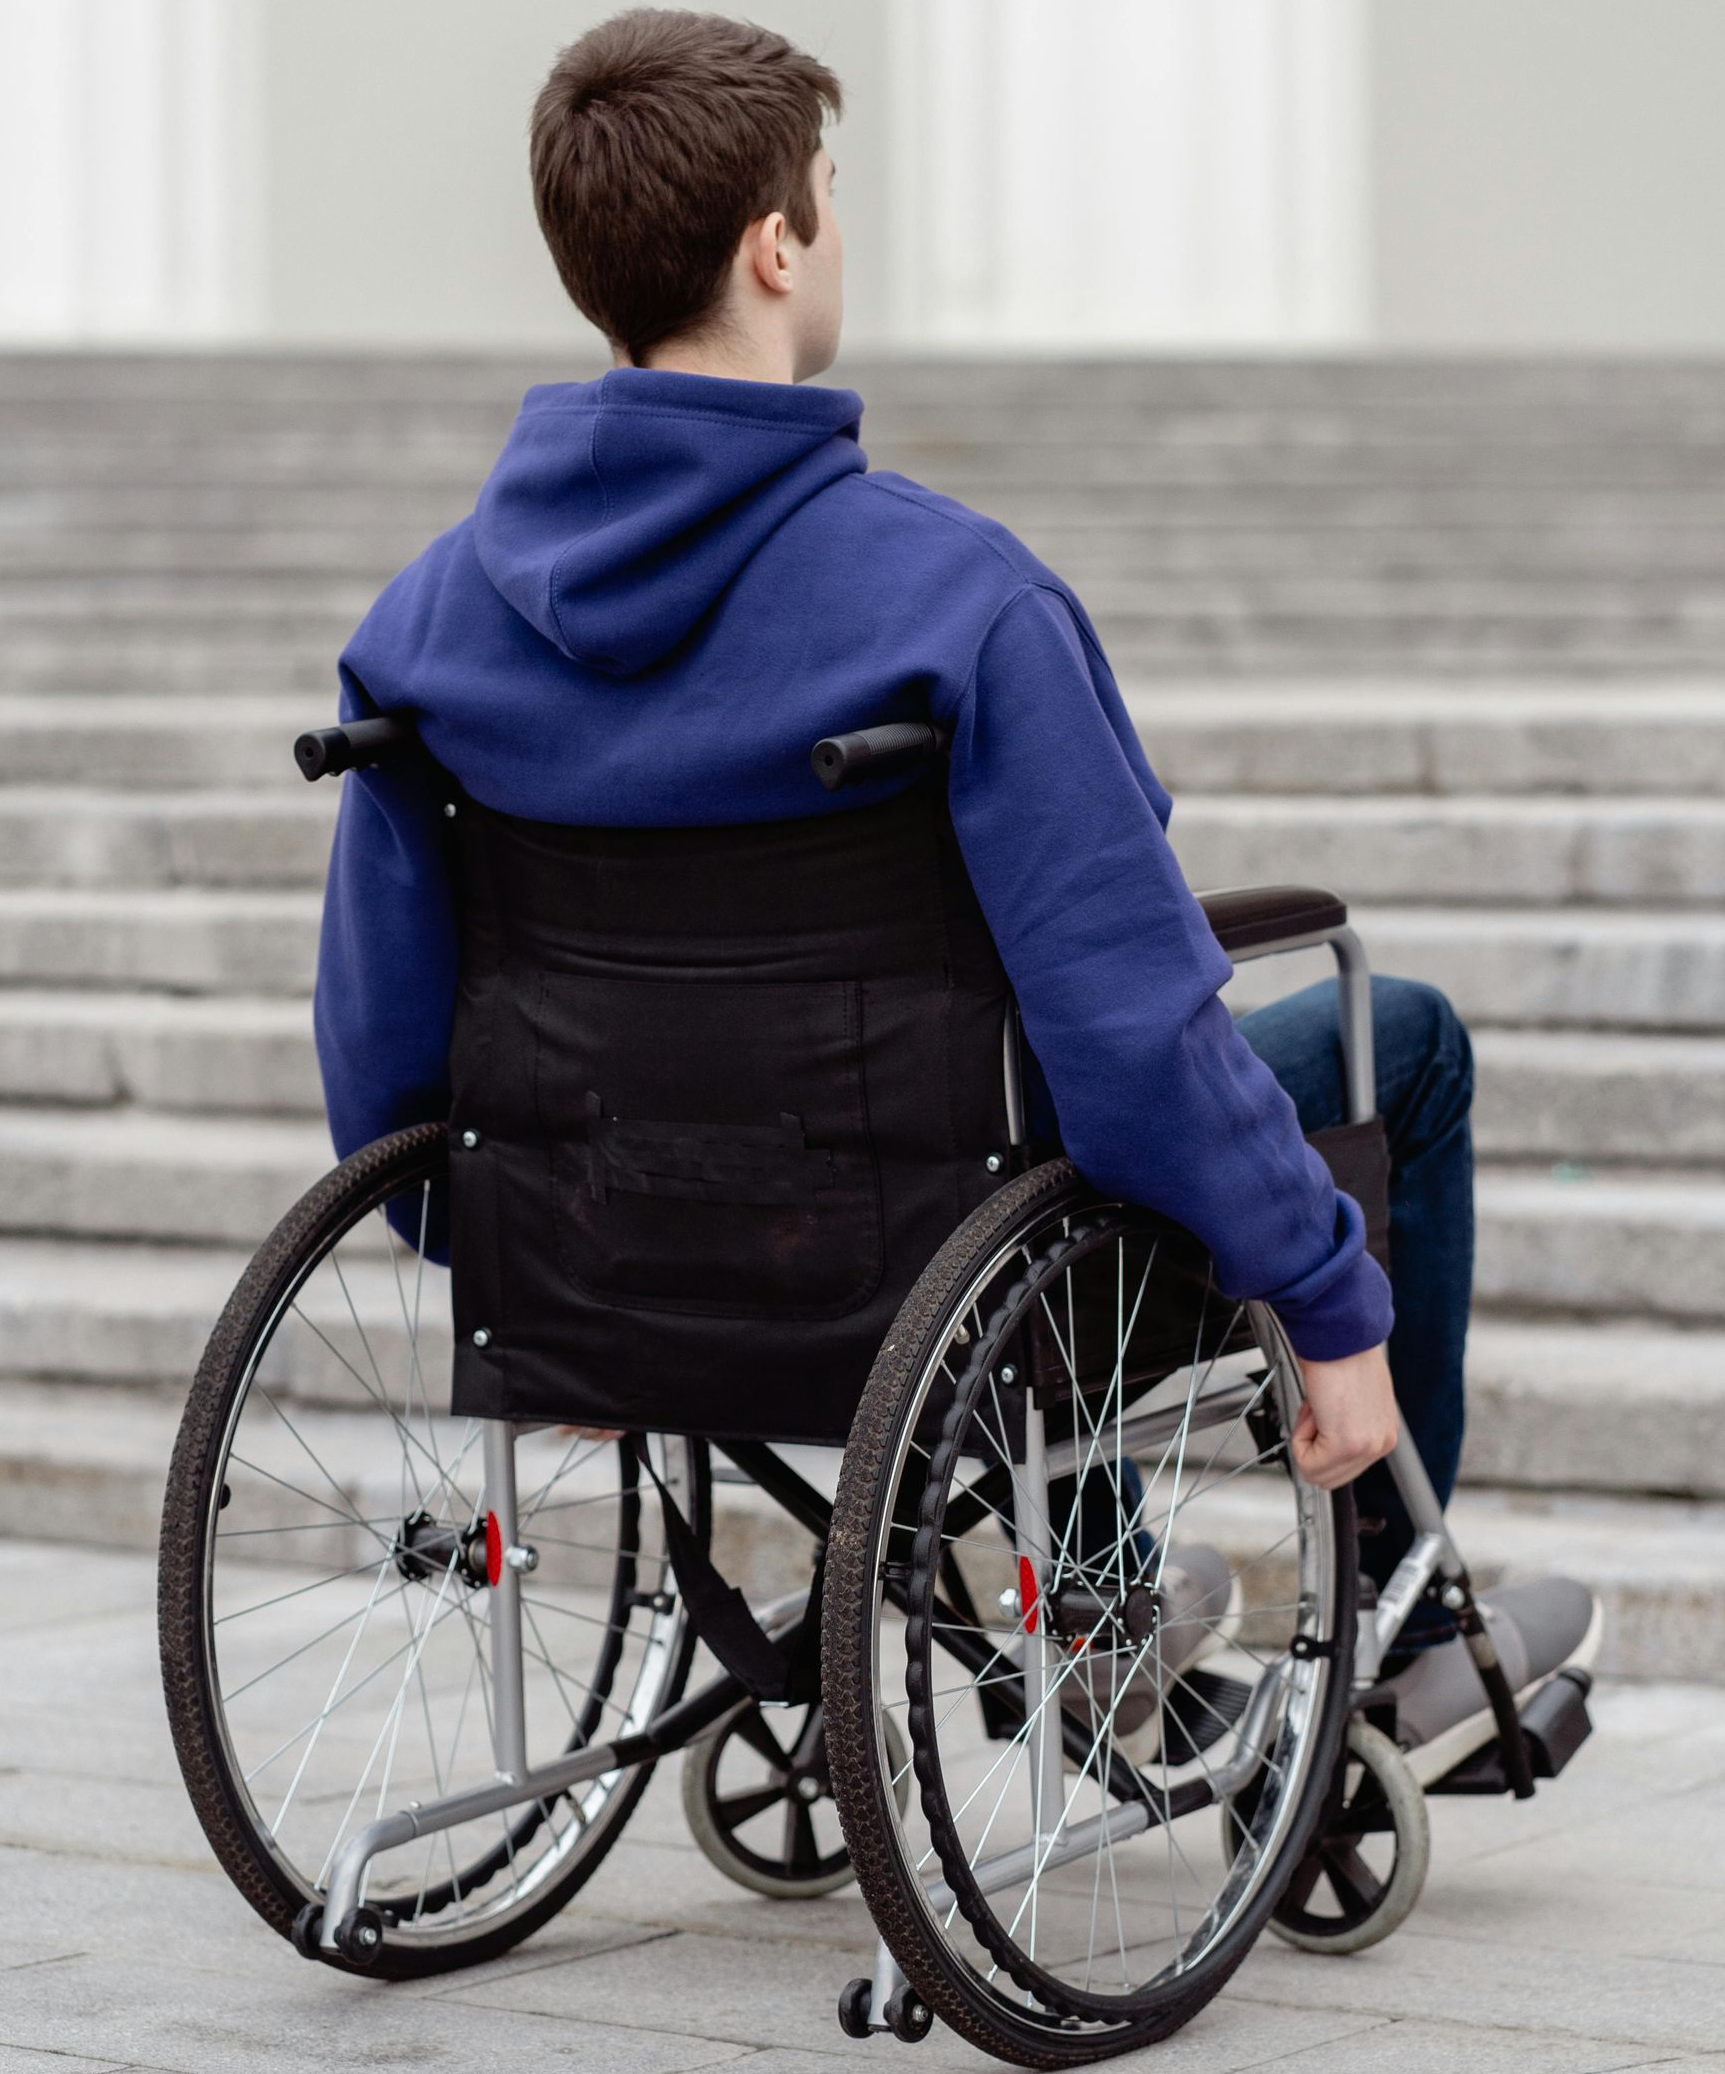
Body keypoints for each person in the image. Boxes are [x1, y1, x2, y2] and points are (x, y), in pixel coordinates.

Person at [312, 6, 1597, 1770]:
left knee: (960, 1112)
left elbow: (382, 1055)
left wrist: (539, 1278)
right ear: (778, 244)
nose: (833, 224)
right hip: (944, 1251)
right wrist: (1329, 1301)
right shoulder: (957, 607)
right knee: (1408, 1039)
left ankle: (1096, 1581)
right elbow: (1135, 1034)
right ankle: (1379, 1619)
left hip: (615, 1260)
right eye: (829, 195)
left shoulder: (422, 632)